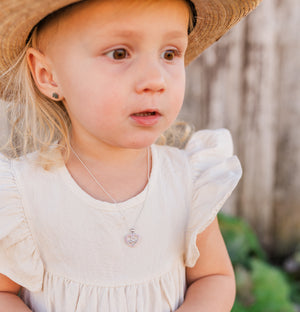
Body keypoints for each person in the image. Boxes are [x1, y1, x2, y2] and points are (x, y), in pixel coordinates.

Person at [0, 0, 262, 311]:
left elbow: (214, 277)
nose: (155, 80)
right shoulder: (24, 194)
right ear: (48, 75)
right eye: (119, 53)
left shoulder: (186, 180)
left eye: (170, 53)